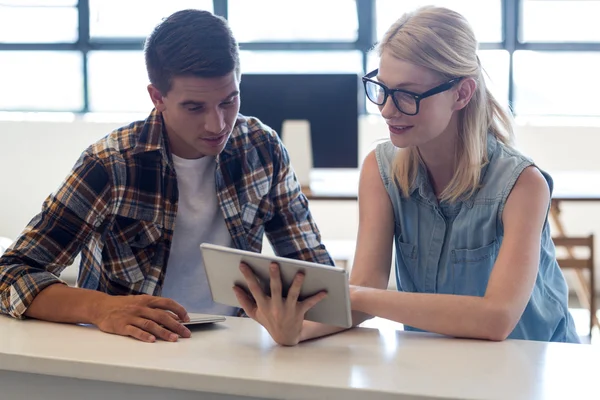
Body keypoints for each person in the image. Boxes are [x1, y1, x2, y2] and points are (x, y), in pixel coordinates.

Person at [235, 6, 579, 345]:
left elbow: (496, 318)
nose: (386, 109)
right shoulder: (380, 170)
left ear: (461, 94)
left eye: (407, 95)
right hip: (438, 368)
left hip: (537, 369)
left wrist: (357, 296)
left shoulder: (523, 185)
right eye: (382, 89)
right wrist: (297, 332)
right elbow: (366, 286)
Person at [0, 9, 332, 343]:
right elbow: (9, 274)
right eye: (194, 107)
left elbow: (319, 278)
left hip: (235, 344)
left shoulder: (262, 148)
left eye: (229, 101)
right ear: (157, 97)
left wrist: (295, 327)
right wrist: (100, 308)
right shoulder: (111, 164)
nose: (217, 125)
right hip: (131, 351)